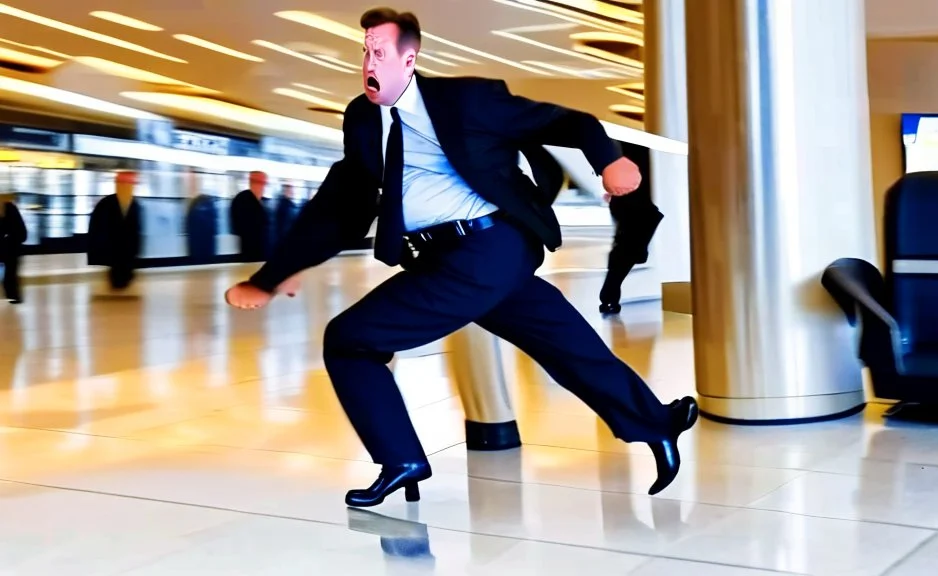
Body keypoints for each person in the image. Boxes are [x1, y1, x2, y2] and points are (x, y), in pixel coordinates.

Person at [225, 7, 698, 508]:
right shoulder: (362, 119)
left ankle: (401, 459)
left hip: (489, 245)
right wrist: (277, 273)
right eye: (364, 50)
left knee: (349, 341)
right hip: (441, 258)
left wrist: (610, 159)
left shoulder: (467, 100)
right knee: (567, 345)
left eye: (379, 50)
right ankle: (657, 424)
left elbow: (568, 121)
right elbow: (342, 205)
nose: (369, 59)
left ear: (410, 57)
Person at [599, 141, 664, 314]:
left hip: (629, 197)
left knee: (628, 239)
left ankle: (610, 292)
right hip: (633, 198)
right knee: (633, 234)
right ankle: (610, 291)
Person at [87, 171, 142, 291]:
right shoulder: (107, 204)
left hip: (127, 248)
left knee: (124, 268)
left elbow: (137, 228)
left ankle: (122, 282)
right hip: (115, 247)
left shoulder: (135, 204)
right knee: (119, 268)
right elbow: (99, 226)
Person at [229, 171, 270, 262]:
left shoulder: (260, 201)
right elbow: (239, 226)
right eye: (262, 183)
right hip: (251, 251)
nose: (263, 188)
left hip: (260, 251)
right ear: (253, 183)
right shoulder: (243, 200)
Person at [0, 194, 26, 304]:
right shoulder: (9, 208)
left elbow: (21, 233)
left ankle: (12, 296)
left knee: (10, 275)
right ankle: (12, 295)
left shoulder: (9, 208)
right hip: (10, 248)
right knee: (9, 275)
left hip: (10, 249)